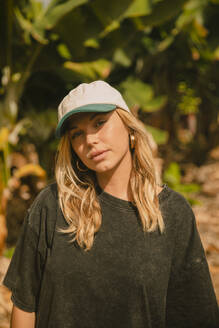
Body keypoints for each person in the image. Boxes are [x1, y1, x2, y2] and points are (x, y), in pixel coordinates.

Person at [3, 80, 219, 328]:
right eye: (77, 134)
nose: (91, 140)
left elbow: (195, 315)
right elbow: (24, 306)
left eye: (100, 123)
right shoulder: (52, 205)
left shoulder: (172, 212)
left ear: (129, 128)